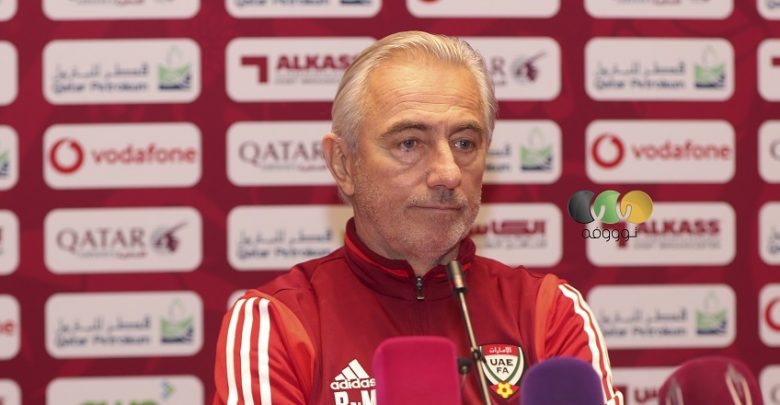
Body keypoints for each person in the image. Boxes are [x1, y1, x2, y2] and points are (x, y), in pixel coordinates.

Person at [214, 31, 624, 405]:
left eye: (465, 143)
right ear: (343, 163)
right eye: (409, 143)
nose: (448, 173)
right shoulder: (277, 322)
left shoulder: (549, 311)